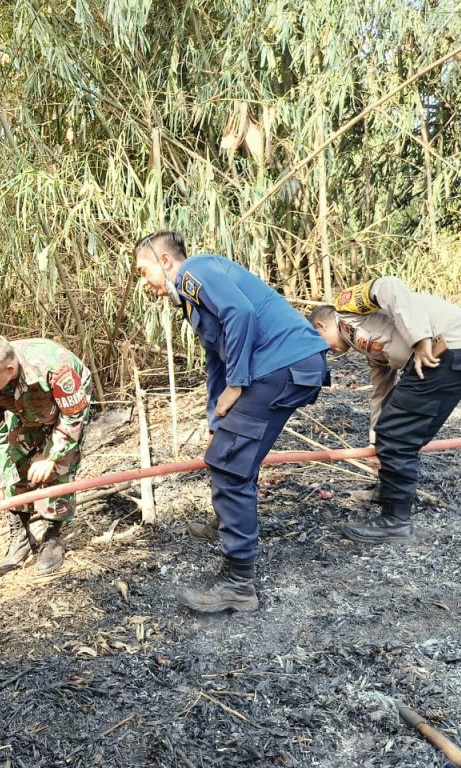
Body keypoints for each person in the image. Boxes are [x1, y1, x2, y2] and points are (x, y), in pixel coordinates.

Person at [134, 231, 330, 613]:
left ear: (166, 261)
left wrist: (238, 384)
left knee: (228, 464)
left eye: (144, 272)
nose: (146, 283)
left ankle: (238, 584)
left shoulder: (195, 271)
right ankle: (229, 522)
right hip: (289, 365)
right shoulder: (193, 298)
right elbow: (217, 359)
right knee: (231, 450)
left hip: (281, 365)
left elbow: (240, 314)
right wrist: (216, 416)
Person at [310, 276, 461, 543]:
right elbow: (381, 391)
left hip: (450, 347)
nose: (326, 351)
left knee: (398, 437)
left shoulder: (344, 306)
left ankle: (394, 522)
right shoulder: (366, 345)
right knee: (403, 435)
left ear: (320, 325)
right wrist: (376, 442)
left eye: (320, 341)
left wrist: (420, 340)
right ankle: (391, 491)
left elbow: (389, 287)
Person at [0, 334, 92, 576]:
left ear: (10, 369)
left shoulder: (55, 365)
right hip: (19, 409)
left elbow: (72, 416)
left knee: (58, 469)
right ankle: (21, 536)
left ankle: (52, 536)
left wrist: (52, 457)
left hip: (63, 407)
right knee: (16, 460)